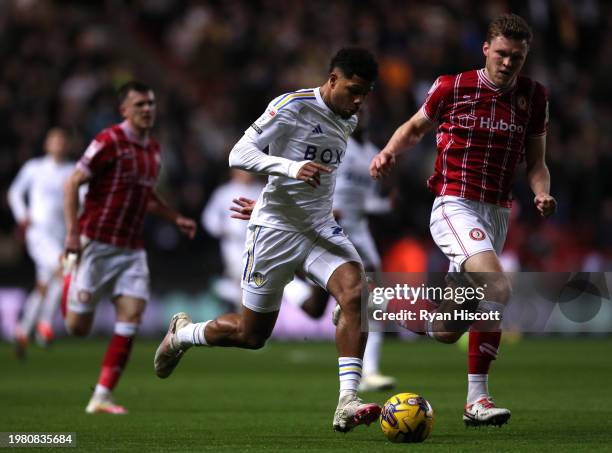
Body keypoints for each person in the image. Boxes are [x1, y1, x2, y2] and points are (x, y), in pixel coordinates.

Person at [155, 48, 382, 432]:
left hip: (319, 229)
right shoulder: (292, 106)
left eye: (366, 93)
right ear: (332, 80)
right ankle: (183, 335)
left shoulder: (348, 119)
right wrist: (290, 169)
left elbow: (319, 181)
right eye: (353, 89)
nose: (359, 101)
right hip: (274, 232)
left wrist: (273, 193)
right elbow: (239, 154)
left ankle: (347, 399)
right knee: (251, 335)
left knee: (356, 292)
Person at [370, 13, 556, 427]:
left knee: (447, 329)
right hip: (454, 203)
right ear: (486, 48)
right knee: (497, 284)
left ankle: (378, 307)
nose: (509, 63)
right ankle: (478, 400)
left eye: (518, 58)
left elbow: (537, 163)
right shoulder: (452, 86)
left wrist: (542, 191)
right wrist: (387, 152)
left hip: (496, 213)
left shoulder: (534, 97)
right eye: (503, 54)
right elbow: (416, 128)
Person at [63, 81, 197, 414]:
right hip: (96, 243)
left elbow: (145, 194)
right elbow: (73, 182)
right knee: (77, 328)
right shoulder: (108, 141)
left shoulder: (152, 149)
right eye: (139, 105)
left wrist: (173, 216)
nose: (147, 110)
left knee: (132, 316)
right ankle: (67, 275)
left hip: (132, 249)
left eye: (150, 104)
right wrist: (72, 234)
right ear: (124, 110)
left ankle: (102, 395)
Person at [8, 128, 74, 357]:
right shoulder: (34, 168)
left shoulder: (72, 171)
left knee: (44, 284)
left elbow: (84, 197)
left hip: (60, 235)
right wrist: (22, 216)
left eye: (62, 140)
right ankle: (44, 325)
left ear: (67, 145)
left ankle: (22, 330)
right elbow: (15, 192)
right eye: (54, 140)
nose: (58, 144)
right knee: (63, 270)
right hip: (38, 233)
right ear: (47, 144)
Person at [201, 169, 265, 309]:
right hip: (232, 244)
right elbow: (209, 217)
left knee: (254, 282)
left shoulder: (261, 191)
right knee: (239, 276)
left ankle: (238, 307)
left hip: (258, 244)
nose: (247, 174)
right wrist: (222, 229)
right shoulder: (224, 192)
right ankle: (240, 314)